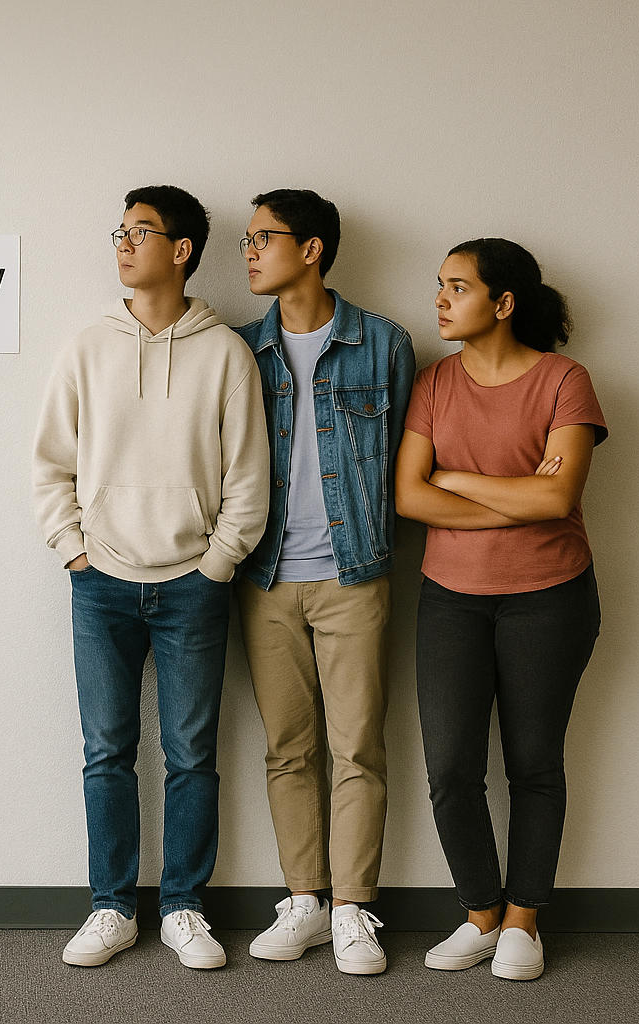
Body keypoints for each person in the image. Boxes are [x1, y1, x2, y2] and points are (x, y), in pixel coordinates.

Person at [33, 185, 269, 969]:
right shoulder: (87, 346)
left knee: (192, 755)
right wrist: (72, 548)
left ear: (182, 250)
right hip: (99, 581)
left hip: (194, 584)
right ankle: (111, 907)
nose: (124, 244)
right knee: (107, 751)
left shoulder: (225, 352)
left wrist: (217, 563)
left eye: (141, 232)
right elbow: (50, 463)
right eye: (120, 231)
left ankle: (183, 907)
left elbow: (248, 476)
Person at [396, 238, 605, 981]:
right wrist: (515, 498)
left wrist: (454, 478)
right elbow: (409, 496)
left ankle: (523, 920)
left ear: (504, 302)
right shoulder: (433, 382)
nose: (440, 299)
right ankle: (481, 913)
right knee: (450, 766)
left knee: (533, 764)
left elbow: (559, 496)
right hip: (451, 599)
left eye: (458, 286)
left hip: (550, 597)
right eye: (440, 285)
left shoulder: (564, 380)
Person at [232, 190, 416, 974]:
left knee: (358, 748)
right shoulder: (241, 349)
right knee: (287, 748)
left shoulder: (383, 343)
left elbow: (406, 462)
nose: (248, 252)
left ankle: (351, 909)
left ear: (311, 249)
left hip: (354, 574)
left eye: (262, 238)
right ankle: (304, 901)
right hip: (264, 575)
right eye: (245, 240)